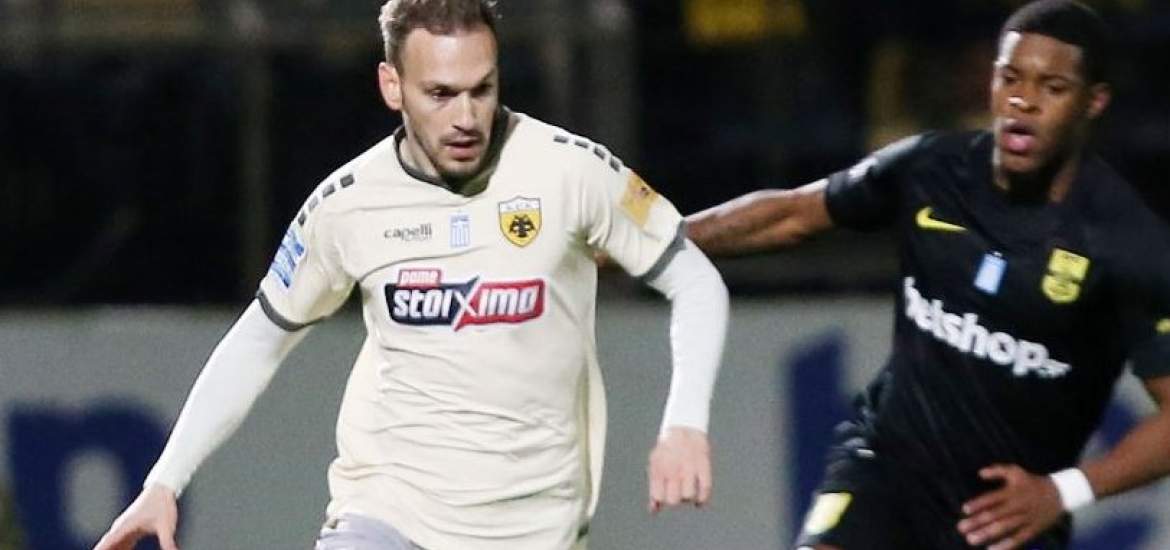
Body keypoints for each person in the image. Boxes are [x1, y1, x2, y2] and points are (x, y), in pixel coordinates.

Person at [94, 1, 729, 549]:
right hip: (389, 512)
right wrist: (165, 480)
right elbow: (261, 336)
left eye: (482, 89)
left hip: (537, 526)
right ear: (392, 86)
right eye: (441, 94)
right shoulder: (347, 205)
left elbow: (694, 281)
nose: (466, 117)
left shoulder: (571, 172)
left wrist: (684, 423)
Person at [686, 1, 1170, 549]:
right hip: (886, 468)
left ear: (1093, 101)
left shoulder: (1127, 243)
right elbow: (792, 213)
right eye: (1010, 78)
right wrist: (656, 242)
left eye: (1052, 87)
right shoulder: (932, 169)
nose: (1023, 101)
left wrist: (1065, 490)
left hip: (1006, 510)